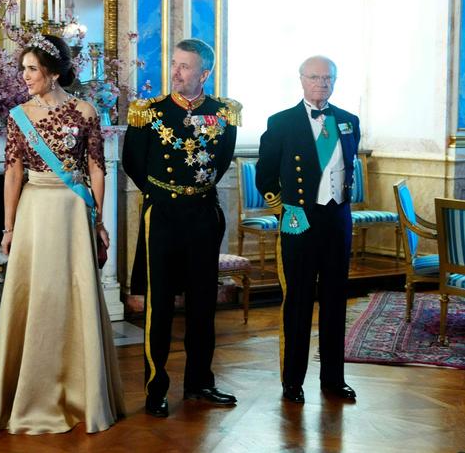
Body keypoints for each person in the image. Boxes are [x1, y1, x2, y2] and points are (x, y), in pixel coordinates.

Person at [0, 34, 124, 435]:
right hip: (34, 210)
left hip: (72, 211)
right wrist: (8, 228)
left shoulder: (85, 111)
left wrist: (97, 220)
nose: (24, 75)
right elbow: (12, 172)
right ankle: (30, 396)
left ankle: (83, 393)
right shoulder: (18, 115)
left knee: (74, 292)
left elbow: (97, 168)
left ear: (54, 71)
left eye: (31, 68)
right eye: (23, 68)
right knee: (38, 293)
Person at [122, 38, 241, 418]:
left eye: (185, 66)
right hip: (164, 216)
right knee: (159, 307)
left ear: (204, 73)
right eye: (174, 63)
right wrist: (168, 194)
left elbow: (221, 161)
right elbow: (133, 164)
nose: (175, 71)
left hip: (203, 215)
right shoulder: (148, 112)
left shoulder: (223, 113)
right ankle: (156, 387)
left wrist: (193, 194)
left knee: (203, 303)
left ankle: (199, 383)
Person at [255, 55, 360, 404]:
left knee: (334, 303)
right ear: (301, 80)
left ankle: (333, 379)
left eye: (328, 78)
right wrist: (284, 211)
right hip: (300, 222)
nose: (322, 84)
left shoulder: (348, 121)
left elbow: (346, 168)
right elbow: (265, 175)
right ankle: (292, 382)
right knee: (298, 302)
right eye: (314, 77)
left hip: (337, 222)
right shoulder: (281, 122)